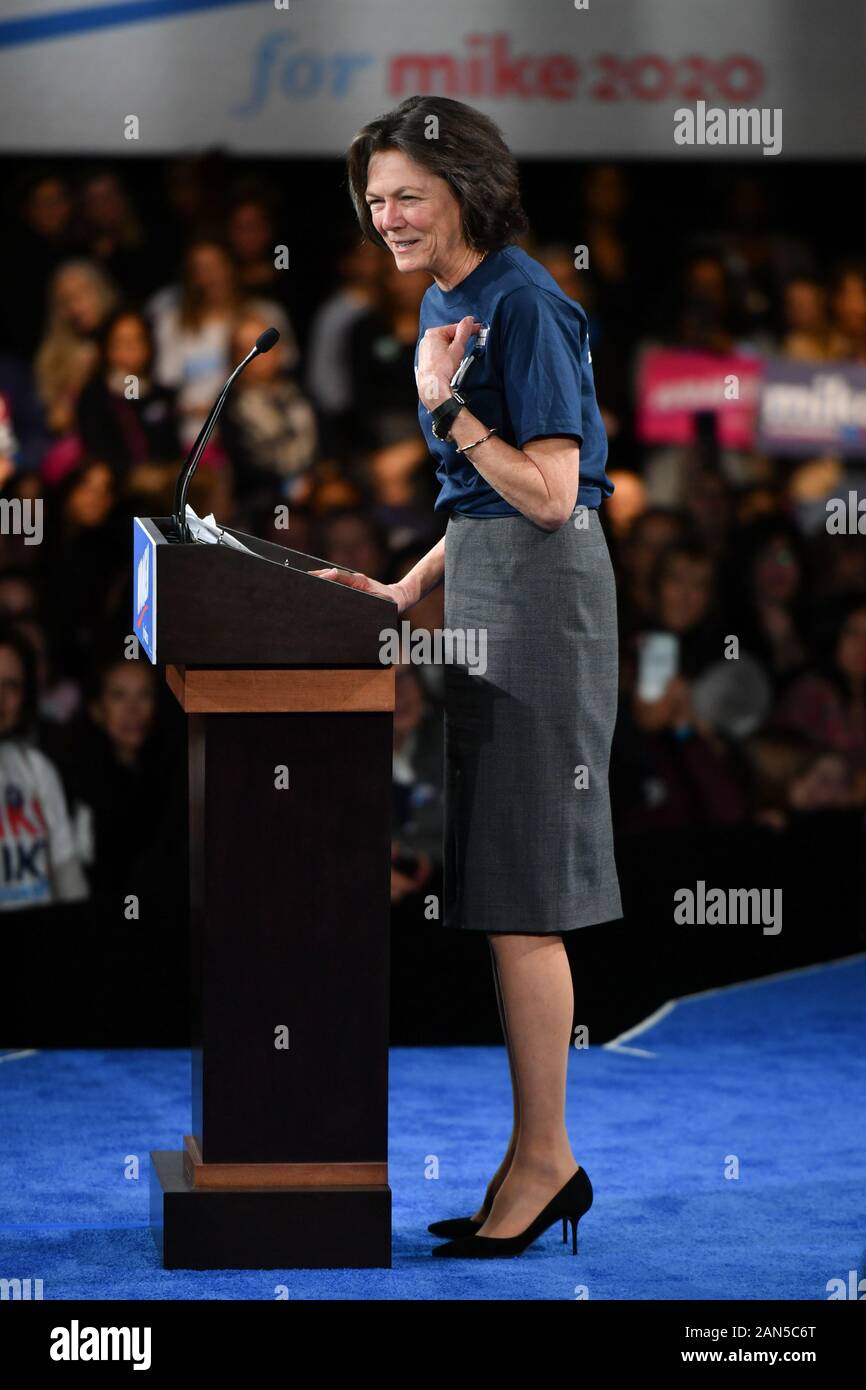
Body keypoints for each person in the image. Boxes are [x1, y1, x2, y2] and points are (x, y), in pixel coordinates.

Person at [311, 95, 622, 1258]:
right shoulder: (450, 298)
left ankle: (547, 1158)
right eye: (374, 199)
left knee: (526, 901)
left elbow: (548, 494)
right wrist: (406, 589)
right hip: (491, 583)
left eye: (405, 194)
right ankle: (531, 1152)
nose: (385, 216)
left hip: (543, 600)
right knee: (497, 892)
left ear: (465, 189)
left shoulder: (524, 302)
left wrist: (441, 402)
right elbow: (481, 499)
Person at [0, 626, 88, 910]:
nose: (0, 697)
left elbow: (67, 872)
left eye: (11, 684)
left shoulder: (37, 769)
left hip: (39, 941)